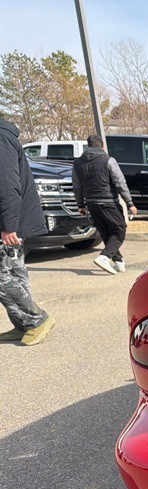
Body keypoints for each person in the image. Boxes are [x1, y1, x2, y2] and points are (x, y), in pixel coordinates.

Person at [0, 116, 55, 346]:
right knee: (14, 273)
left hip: (10, 223)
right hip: (12, 221)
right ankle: (24, 324)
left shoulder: (0, 138)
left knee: (3, 276)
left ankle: (36, 319)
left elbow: (7, 184)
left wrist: (8, 225)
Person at [73, 135, 137, 275]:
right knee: (120, 230)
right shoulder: (108, 160)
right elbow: (120, 182)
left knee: (106, 232)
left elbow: (77, 186)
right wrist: (129, 203)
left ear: (88, 146)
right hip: (108, 202)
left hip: (91, 203)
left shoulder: (78, 163)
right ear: (102, 147)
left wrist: (81, 205)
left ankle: (119, 262)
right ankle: (105, 257)